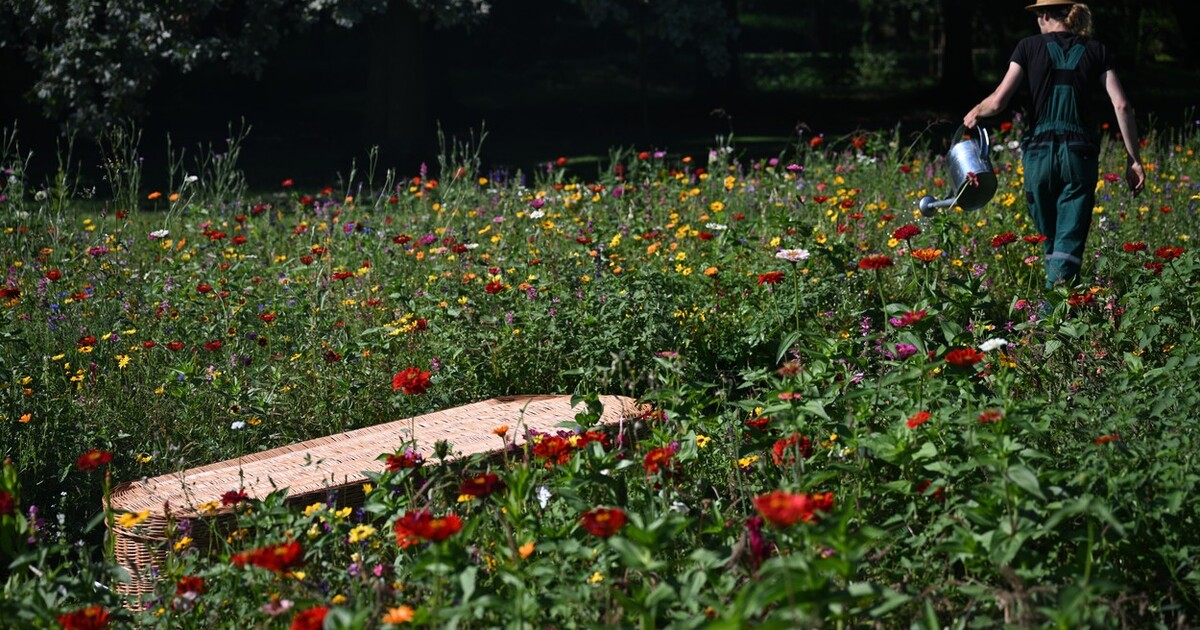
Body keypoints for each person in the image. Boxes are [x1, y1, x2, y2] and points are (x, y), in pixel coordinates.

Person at [963, 0, 1145, 288]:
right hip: (1079, 155)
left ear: (1045, 15)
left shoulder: (1027, 47)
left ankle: (1054, 306)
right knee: (1067, 243)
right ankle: (1057, 307)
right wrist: (1133, 159)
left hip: (1038, 155)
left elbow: (998, 101)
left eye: (1037, 16)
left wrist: (976, 111)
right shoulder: (1097, 50)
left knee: (1051, 242)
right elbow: (1121, 105)